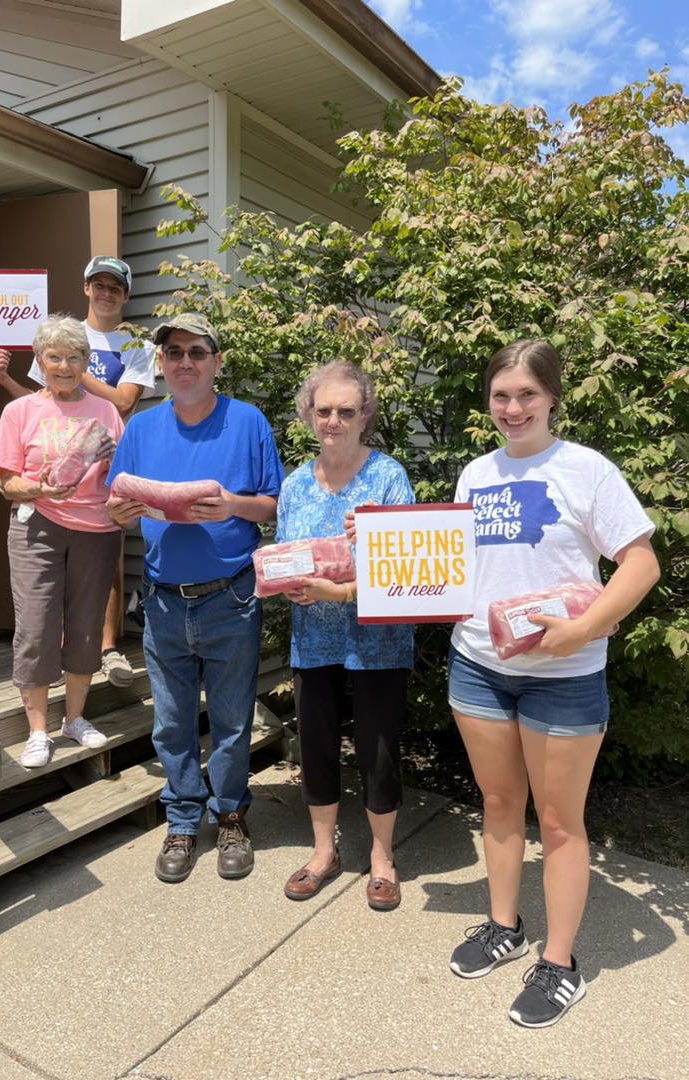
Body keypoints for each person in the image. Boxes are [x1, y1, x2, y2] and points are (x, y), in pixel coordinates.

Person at [446, 339, 659, 1028]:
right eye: (501, 396)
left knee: (561, 823)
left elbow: (639, 564)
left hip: (562, 677)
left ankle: (560, 963)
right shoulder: (475, 474)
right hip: (478, 665)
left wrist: (584, 628)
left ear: (551, 398)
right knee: (499, 802)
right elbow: (455, 569)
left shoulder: (586, 470)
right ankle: (504, 926)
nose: (512, 409)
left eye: (526, 395)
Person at [106, 313, 284, 883]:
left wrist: (233, 504)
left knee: (232, 721)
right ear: (160, 363)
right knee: (173, 722)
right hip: (162, 599)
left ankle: (229, 813)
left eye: (197, 352)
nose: (185, 362)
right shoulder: (140, 429)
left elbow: (273, 504)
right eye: (174, 352)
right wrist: (119, 512)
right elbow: (115, 505)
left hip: (230, 596)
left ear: (217, 362)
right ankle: (182, 819)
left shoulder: (247, 420)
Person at [277, 362, 414, 911]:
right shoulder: (293, 484)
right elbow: (287, 556)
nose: (333, 420)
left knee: (379, 751)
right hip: (313, 638)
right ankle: (322, 852)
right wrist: (288, 583)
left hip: (377, 640)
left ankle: (382, 858)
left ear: (365, 416)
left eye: (346, 411)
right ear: (309, 414)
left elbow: (406, 568)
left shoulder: (387, 477)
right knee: (316, 746)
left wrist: (342, 590)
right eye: (324, 409)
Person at [0, 256, 154, 688]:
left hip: (105, 472)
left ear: (126, 295)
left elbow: (122, 402)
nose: (105, 293)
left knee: (105, 574)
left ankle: (107, 647)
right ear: (85, 288)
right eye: (98, 285)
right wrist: (7, 380)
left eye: (114, 287)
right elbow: (41, 402)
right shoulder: (60, 337)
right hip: (47, 495)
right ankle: (55, 662)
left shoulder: (136, 343)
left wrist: (75, 372)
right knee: (46, 592)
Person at [0, 315, 124, 768]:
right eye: (55, 357)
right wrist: (41, 489)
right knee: (35, 626)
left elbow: (120, 476)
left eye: (74, 357)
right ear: (40, 361)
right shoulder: (20, 411)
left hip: (96, 529)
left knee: (86, 626)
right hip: (37, 526)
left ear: (86, 362)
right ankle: (36, 731)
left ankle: (74, 718)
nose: (64, 366)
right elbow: (7, 483)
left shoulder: (106, 412)